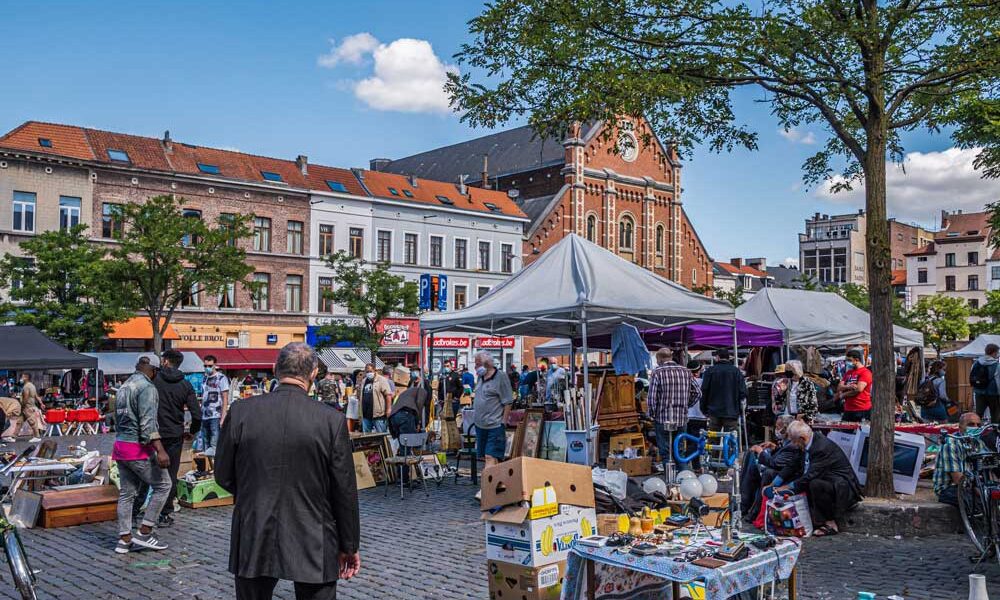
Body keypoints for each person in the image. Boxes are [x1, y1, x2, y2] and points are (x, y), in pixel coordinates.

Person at [216, 343, 360, 600]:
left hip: (255, 525)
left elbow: (223, 475)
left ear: (274, 369)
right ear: (314, 374)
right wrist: (349, 545)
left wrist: (253, 491)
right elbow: (344, 489)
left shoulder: (241, 412)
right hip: (313, 531)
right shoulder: (330, 420)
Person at [113, 359, 172, 554]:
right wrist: (160, 450)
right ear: (153, 370)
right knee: (164, 485)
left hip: (120, 446)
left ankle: (124, 539)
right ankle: (145, 532)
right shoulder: (147, 387)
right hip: (136, 448)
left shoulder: (124, 386)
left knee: (127, 494)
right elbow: (148, 424)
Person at [774, 421, 862, 537]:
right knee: (793, 481)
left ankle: (830, 524)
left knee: (815, 484)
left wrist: (787, 487)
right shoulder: (806, 443)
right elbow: (793, 464)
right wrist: (776, 482)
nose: (793, 444)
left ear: (802, 438)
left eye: (793, 441)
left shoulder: (820, 447)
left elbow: (810, 475)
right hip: (825, 478)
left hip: (840, 486)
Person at [145, 349, 201, 527]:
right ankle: (165, 512)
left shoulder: (154, 379)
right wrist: (192, 430)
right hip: (174, 435)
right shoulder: (185, 384)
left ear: (166, 362)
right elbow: (197, 414)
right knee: (170, 474)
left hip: (152, 433)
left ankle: (140, 508)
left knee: (146, 472)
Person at [647, 348, 702, 470]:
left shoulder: (657, 372)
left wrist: (652, 414)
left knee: (666, 453)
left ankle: (670, 481)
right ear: (671, 357)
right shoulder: (686, 371)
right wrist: (686, 405)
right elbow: (698, 392)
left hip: (662, 417)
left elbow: (651, 398)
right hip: (681, 417)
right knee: (680, 452)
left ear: (659, 359)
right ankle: (683, 479)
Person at [741, 415, 802, 516]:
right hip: (778, 470)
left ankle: (744, 504)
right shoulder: (787, 442)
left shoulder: (793, 445)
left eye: (778, 427)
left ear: (786, 429)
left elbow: (775, 463)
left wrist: (761, 452)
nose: (776, 430)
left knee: (752, 463)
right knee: (750, 458)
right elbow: (782, 455)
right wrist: (775, 448)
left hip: (782, 474)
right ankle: (744, 503)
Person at [473, 352, 514, 489]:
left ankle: (486, 489)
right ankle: (499, 486)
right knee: (491, 458)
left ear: (487, 364)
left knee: (490, 456)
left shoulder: (500, 377)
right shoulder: (480, 377)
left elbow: (508, 401)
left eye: (477, 363)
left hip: (494, 425)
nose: (475, 366)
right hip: (480, 425)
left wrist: (503, 421)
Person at [933, 412, 988, 506]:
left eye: (978, 425)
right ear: (960, 427)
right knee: (979, 504)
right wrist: (981, 492)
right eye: (971, 424)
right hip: (949, 487)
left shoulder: (978, 443)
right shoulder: (951, 443)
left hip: (972, 484)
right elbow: (958, 479)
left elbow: (987, 465)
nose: (975, 427)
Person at [700, 349, 747, 432]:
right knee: (731, 439)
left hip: (714, 411)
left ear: (718, 357)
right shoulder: (736, 371)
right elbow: (743, 392)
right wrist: (740, 410)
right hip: (731, 411)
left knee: (713, 440)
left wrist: (703, 409)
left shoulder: (710, 371)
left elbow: (704, 391)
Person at [200, 355, 230, 450]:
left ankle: (215, 464)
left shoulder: (221, 378)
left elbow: (225, 398)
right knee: (205, 444)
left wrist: (223, 417)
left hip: (215, 416)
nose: (207, 368)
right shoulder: (204, 378)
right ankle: (207, 464)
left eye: (210, 366)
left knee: (214, 445)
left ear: (215, 365)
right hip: (204, 416)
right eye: (205, 366)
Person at [836, 349, 872, 422]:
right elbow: (839, 387)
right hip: (848, 409)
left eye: (849, 360)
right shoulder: (849, 372)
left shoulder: (865, 372)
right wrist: (849, 386)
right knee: (844, 431)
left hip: (862, 409)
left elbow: (859, 389)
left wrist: (843, 395)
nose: (847, 362)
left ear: (856, 360)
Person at [685, 361, 708, 470]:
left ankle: (691, 463)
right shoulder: (703, 382)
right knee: (698, 442)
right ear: (698, 372)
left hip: (688, 416)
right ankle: (695, 464)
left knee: (690, 441)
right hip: (701, 416)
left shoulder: (685, 382)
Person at [971, 343, 1000, 421]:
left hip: (979, 392)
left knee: (978, 415)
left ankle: (975, 430)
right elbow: (998, 381)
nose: (997, 354)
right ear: (994, 352)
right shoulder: (997, 365)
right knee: (995, 415)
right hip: (993, 393)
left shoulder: (976, 363)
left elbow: (972, 377)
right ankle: (994, 431)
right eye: (997, 352)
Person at [359, 363, 391, 433]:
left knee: (382, 435)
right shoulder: (364, 381)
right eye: (367, 372)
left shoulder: (381, 380)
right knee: (366, 438)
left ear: (374, 371)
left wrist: (388, 409)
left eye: (370, 371)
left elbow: (388, 395)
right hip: (366, 414)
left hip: (378, 415)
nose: (369, 373)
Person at [18, 373, 45, 441]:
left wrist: (22, 405)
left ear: (26, 378)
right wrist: (41, 403)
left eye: (22, 377)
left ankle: (37, 437)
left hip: (27, 407)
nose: (21, 378)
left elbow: (26, 397)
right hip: (31, 406)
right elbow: (36, 396)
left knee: (32, 422)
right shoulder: (32, 385)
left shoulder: (26, 386)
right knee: (19, 422)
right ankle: (12, 436)